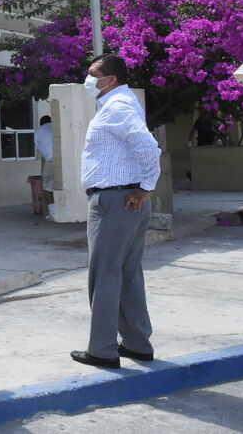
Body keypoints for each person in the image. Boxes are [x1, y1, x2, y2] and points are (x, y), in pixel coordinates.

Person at [70, 54, 162, 370]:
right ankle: (137, 344)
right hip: (124, 199)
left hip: (114, 201)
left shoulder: (117, 106)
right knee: (128, 273)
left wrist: (148, 186)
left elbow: (148, 147)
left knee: (105, 274)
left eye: (92, 74)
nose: (88, 79)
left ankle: (103, 350)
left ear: (109, 79)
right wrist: (144, 188)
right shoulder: (121, 102)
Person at [35, 115, 55, 208]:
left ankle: (52, 212)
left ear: (41, 124)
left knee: (47, 187)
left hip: (50, 159)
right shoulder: (56, 127)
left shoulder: (39, 131)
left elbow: (38, 149)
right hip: (62, 159)